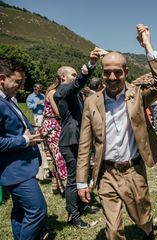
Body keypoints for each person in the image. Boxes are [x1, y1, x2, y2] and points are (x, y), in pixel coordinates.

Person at [76, 24, 157, 240]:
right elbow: (84, 145)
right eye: (107, 72)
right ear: (102, 73)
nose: (112, 77)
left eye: (117, 72)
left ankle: (148, 230)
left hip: (133, 170)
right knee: (114, 230)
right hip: (106, 173)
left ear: (125, 72)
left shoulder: (137, 95)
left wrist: (147, 45)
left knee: (142, 219)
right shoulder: (91, 102)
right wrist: (82, 182)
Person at [0, 58, 47, 239]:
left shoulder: (9, 99)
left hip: (21, 167)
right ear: (2, 78)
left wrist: (34, 134)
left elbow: (15, 129)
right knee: (37, 210)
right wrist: (24, 141)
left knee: (20, 211)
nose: (21, 87)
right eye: (18, 82)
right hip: (14, 171)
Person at [53, 49, 100, 228]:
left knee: (83, 174)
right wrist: (90, 66)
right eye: (73, 74)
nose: (75, 77)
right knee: (73, 180)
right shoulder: (63, 90)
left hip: (79, 139)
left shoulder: (73, 92)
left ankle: (82, 206)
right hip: (70, 140)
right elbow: (76, 85)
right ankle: (73, 216)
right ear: (63, 76)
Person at [39, 76, 67, 195]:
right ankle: (67, 187)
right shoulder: (53, 92)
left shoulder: (53, 91)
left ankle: (57, 187)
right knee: (60, 157)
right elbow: (58, 112)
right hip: (52, 125)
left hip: (53, 124)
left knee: (56, 158)